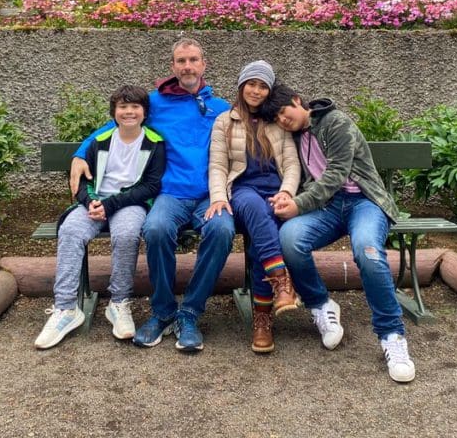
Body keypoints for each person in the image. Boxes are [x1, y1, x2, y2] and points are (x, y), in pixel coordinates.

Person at [70, 38, 233, 352]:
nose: (187, 66)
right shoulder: (155, 103)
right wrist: (79, 153)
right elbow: (113, 124)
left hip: (210, 195)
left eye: (193, 60)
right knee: (155, 229)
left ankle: (190, 313)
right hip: (169, 194)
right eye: (181, 61)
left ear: (204, 65)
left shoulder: (221, 108)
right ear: (172, 66)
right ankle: (163, 311)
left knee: (223, 230)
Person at [261, 84, 416, 383]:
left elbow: (336, 173)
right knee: (290, 239)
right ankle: (321, 305)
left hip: (365, 203)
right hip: (329, 208)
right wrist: (286, 197)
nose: (282, 120)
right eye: (276, 118)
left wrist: (299, 204)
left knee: (368, 252)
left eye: (283, 112)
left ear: (297, 101)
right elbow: (304, 177)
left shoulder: (335, 122)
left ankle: (392, 336)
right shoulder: (296, 137)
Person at [35, 85, 164, 349]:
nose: (129, 112)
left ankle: (119, 303)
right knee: (70, 230)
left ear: (145, 112)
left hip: (130, 203)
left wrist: (111, 204)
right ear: (114, 112)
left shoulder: (155, 143)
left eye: (135, 107)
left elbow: (150, 186)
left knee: (127, 234)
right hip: (95, 203)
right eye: (123, 107)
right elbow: (82, 182)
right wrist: (90, 201)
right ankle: (66, 308)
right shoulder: (99, 140)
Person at [206, 60, 301, 354]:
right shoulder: (225, 120)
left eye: (263, 86)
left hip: (275, 189)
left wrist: (286, 193)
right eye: (252, 84)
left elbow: (292, 164)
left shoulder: (278, 121)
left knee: (264, 234)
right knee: (256, 211)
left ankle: (263, 318)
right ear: (241, 86)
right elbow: (218, 165)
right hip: (244, 189)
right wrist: (218, 197)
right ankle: (280, 282)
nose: (256, 91)